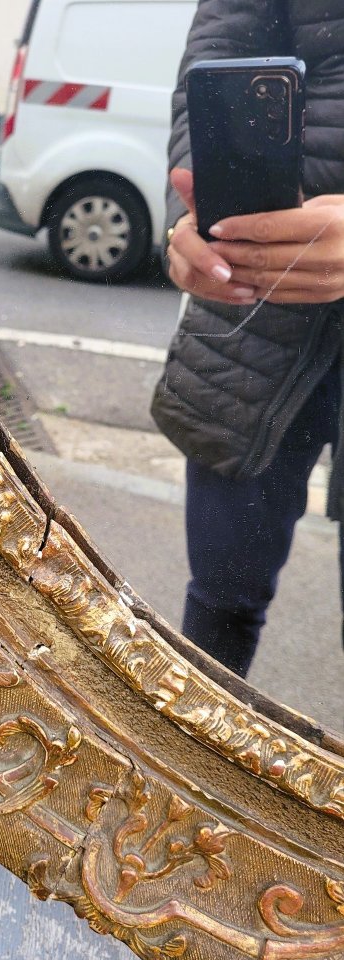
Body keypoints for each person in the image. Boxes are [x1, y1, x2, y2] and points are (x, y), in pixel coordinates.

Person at [151, 0, 344, 678]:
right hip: (253, 303)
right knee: (220, 608)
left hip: (253, 305)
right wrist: (193, 217)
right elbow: (209, 74)